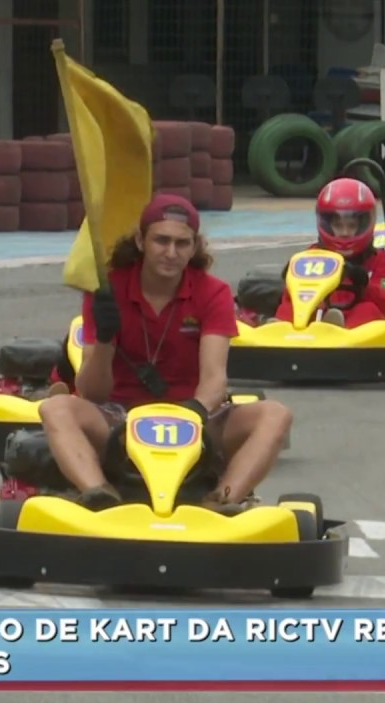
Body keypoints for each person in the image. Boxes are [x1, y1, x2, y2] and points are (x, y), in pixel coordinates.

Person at [38, 193, 293, 513]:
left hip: (194, 419)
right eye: (162, 241)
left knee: (275, 414)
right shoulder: (108, 291)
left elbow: (215, 377)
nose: (171, 253)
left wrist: (194, 413)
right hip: (120, 419)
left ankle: (222, 500)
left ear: (194, 246)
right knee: (56, 408)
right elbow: (91, 391)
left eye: (182, 243)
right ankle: (98, 494)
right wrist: (104, 340)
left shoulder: (213, 292)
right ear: (141, 240)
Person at [273, 177, 385, 328]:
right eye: (338, 226)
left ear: (365, 224)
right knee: (289, 308)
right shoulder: (312, 255)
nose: (345, 233)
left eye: (351, 226)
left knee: (368, 310)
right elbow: (291, 297)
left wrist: (363, 284)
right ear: (327, 225)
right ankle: (279, 328)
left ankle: (337, 328)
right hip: (317, 315)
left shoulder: (379, 260)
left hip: (354, 323)